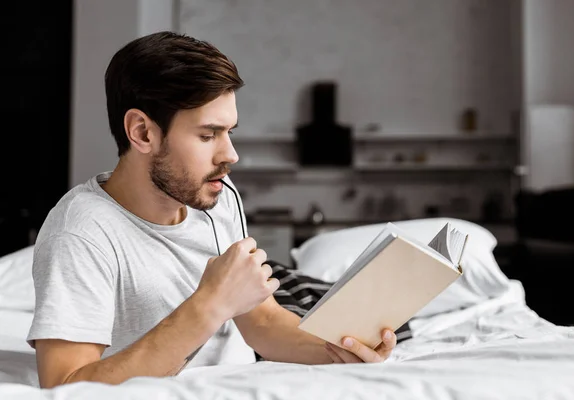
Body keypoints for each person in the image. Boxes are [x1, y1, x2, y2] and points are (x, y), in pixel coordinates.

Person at [27, 31, 396, 389]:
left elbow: (262, 322)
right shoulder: (81, 232)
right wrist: (209, 305)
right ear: (141, 133)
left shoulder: (216, 192)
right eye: (208, 135)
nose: (230, 155)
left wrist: (339, 350)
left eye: (229, 132)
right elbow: (65, 386)